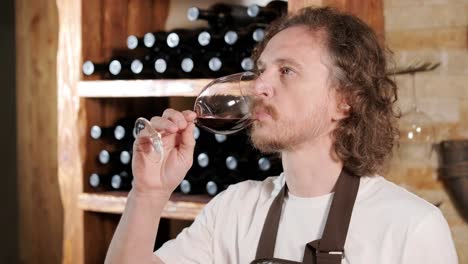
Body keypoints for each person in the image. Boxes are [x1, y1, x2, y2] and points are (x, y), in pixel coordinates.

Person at [105, 6, 458, 264]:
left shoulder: (411, 227)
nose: (260, 86)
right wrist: (149, 192)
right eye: (261, 71)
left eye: (286, 71)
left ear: (345, 101)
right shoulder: (235, 208)